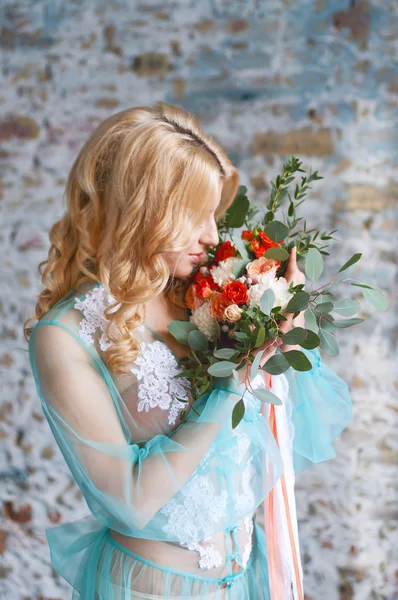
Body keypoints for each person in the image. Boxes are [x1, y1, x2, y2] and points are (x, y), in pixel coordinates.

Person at [24, 102, 352, 599]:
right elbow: (129, 502)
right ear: (141, 209)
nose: (213, 235)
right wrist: (230, 386)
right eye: (193, 215)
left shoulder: (204, 293)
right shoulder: (64, 336)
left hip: (246, 577)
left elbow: (277, 426)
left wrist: (282, 332)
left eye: (212, 213)